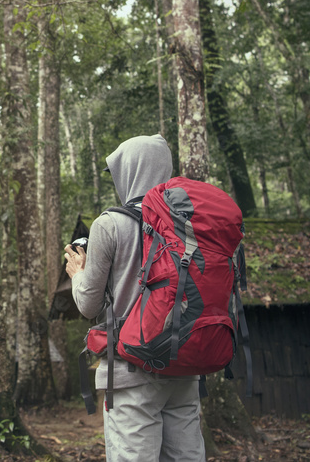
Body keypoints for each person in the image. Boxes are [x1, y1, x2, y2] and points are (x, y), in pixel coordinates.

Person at [64, 134, 206, 462]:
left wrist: (77, 274)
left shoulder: (110, 224)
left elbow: (88, 305)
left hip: (130, 372)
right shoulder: (191, 223)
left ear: (128, 172)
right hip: (184, 366)